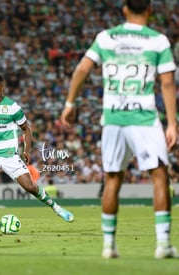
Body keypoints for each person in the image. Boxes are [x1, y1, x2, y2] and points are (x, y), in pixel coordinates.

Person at [60, 0, 177, 259]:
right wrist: (172, 123)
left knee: (112, 179)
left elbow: (82, 69)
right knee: (159, 176)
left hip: (112, 119)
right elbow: (167, 84)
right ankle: (163, 245)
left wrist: (70, 103)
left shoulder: (105, 37)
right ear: (150, 11)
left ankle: (109, 246)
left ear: (124, 10)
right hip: (144, 118)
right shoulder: (158, 41)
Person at [0, 73, 74, 235]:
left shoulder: (13, 108)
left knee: (30, 187)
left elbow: (26, 128)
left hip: (9, 155)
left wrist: (27, 150)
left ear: (2, 88)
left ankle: (57, 208)